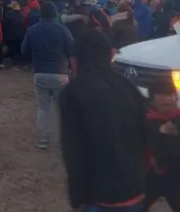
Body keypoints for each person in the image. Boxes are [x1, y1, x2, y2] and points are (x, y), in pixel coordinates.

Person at [58, 28, 147, 211]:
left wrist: (77, 197)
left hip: (100, 196)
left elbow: (74, 152)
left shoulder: (73, 93)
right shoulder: (129, 88)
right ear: (109, 55)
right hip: (135, 189)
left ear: (76, 60)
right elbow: (145, 137)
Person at [21, 2, 75, 149]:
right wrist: (74, 73)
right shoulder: (63, 30)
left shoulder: (32, 30)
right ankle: (62, 141)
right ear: (54, 14)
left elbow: (23, 51)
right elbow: (72, 53)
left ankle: (43, 141)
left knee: (43, 108)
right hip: (60, 74)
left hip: (39, 74)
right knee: (60, 108)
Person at [143, 79, 180, 212]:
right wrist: (161, 134)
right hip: (150, 178)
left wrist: (175, 137)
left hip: (178, 177)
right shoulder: (146, 119)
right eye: (161, 95)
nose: (167, 100)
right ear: (152, 99)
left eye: (170, 95)